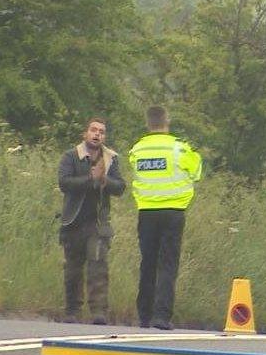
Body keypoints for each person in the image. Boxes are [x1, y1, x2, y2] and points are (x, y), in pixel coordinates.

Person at [128, 106, 202, 330]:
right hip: (173, 212)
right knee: (167, 264)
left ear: (147, 123)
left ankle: (144, 315)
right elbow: (196, 172)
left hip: (146, 211)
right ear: (167, 121)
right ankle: (161, 316)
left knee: (147, 263)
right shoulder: (180, 149)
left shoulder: (137, 150)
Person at [57, 117, 126, 325]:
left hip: (98, 224)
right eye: (94, 130)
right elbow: (64, 183)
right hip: (73, 221)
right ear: (85, 134)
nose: (97, 134)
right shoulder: (71, 156)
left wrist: (105, 180)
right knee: (73, 269)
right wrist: (91, 179)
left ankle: (99, 312)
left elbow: (121, 187)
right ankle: (72, 311)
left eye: (102, 132)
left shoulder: (111, 158)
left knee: (98, 267)